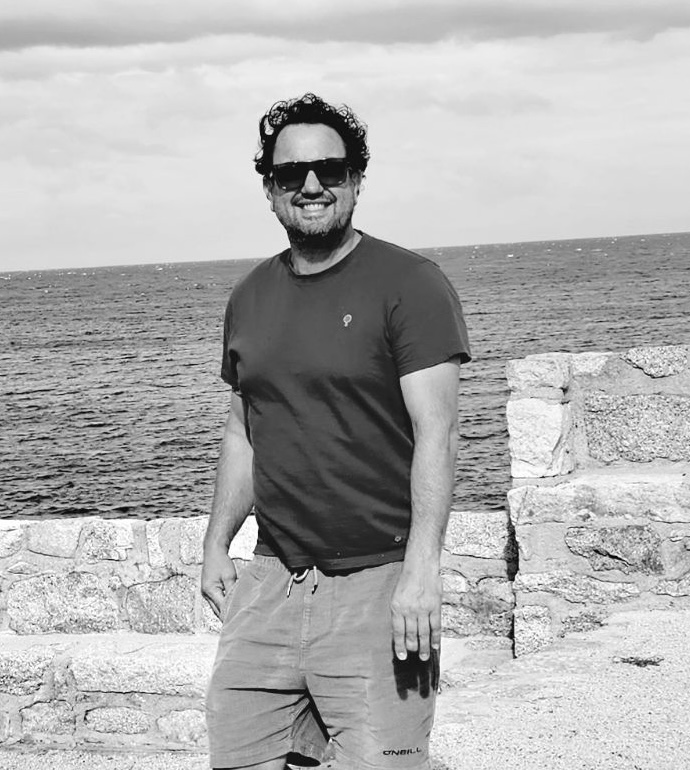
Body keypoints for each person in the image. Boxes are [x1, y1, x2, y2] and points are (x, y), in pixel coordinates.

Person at [202, 93, 471, 770]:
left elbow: (437, 435)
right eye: (291, 173)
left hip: (379, 583)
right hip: (271, 580)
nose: (312, 185)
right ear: (270, 189)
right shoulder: (249, 297)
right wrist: (215, 544)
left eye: (330, 169)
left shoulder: (410, 284)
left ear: (356, 178)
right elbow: (243, 430)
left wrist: (421, 573)